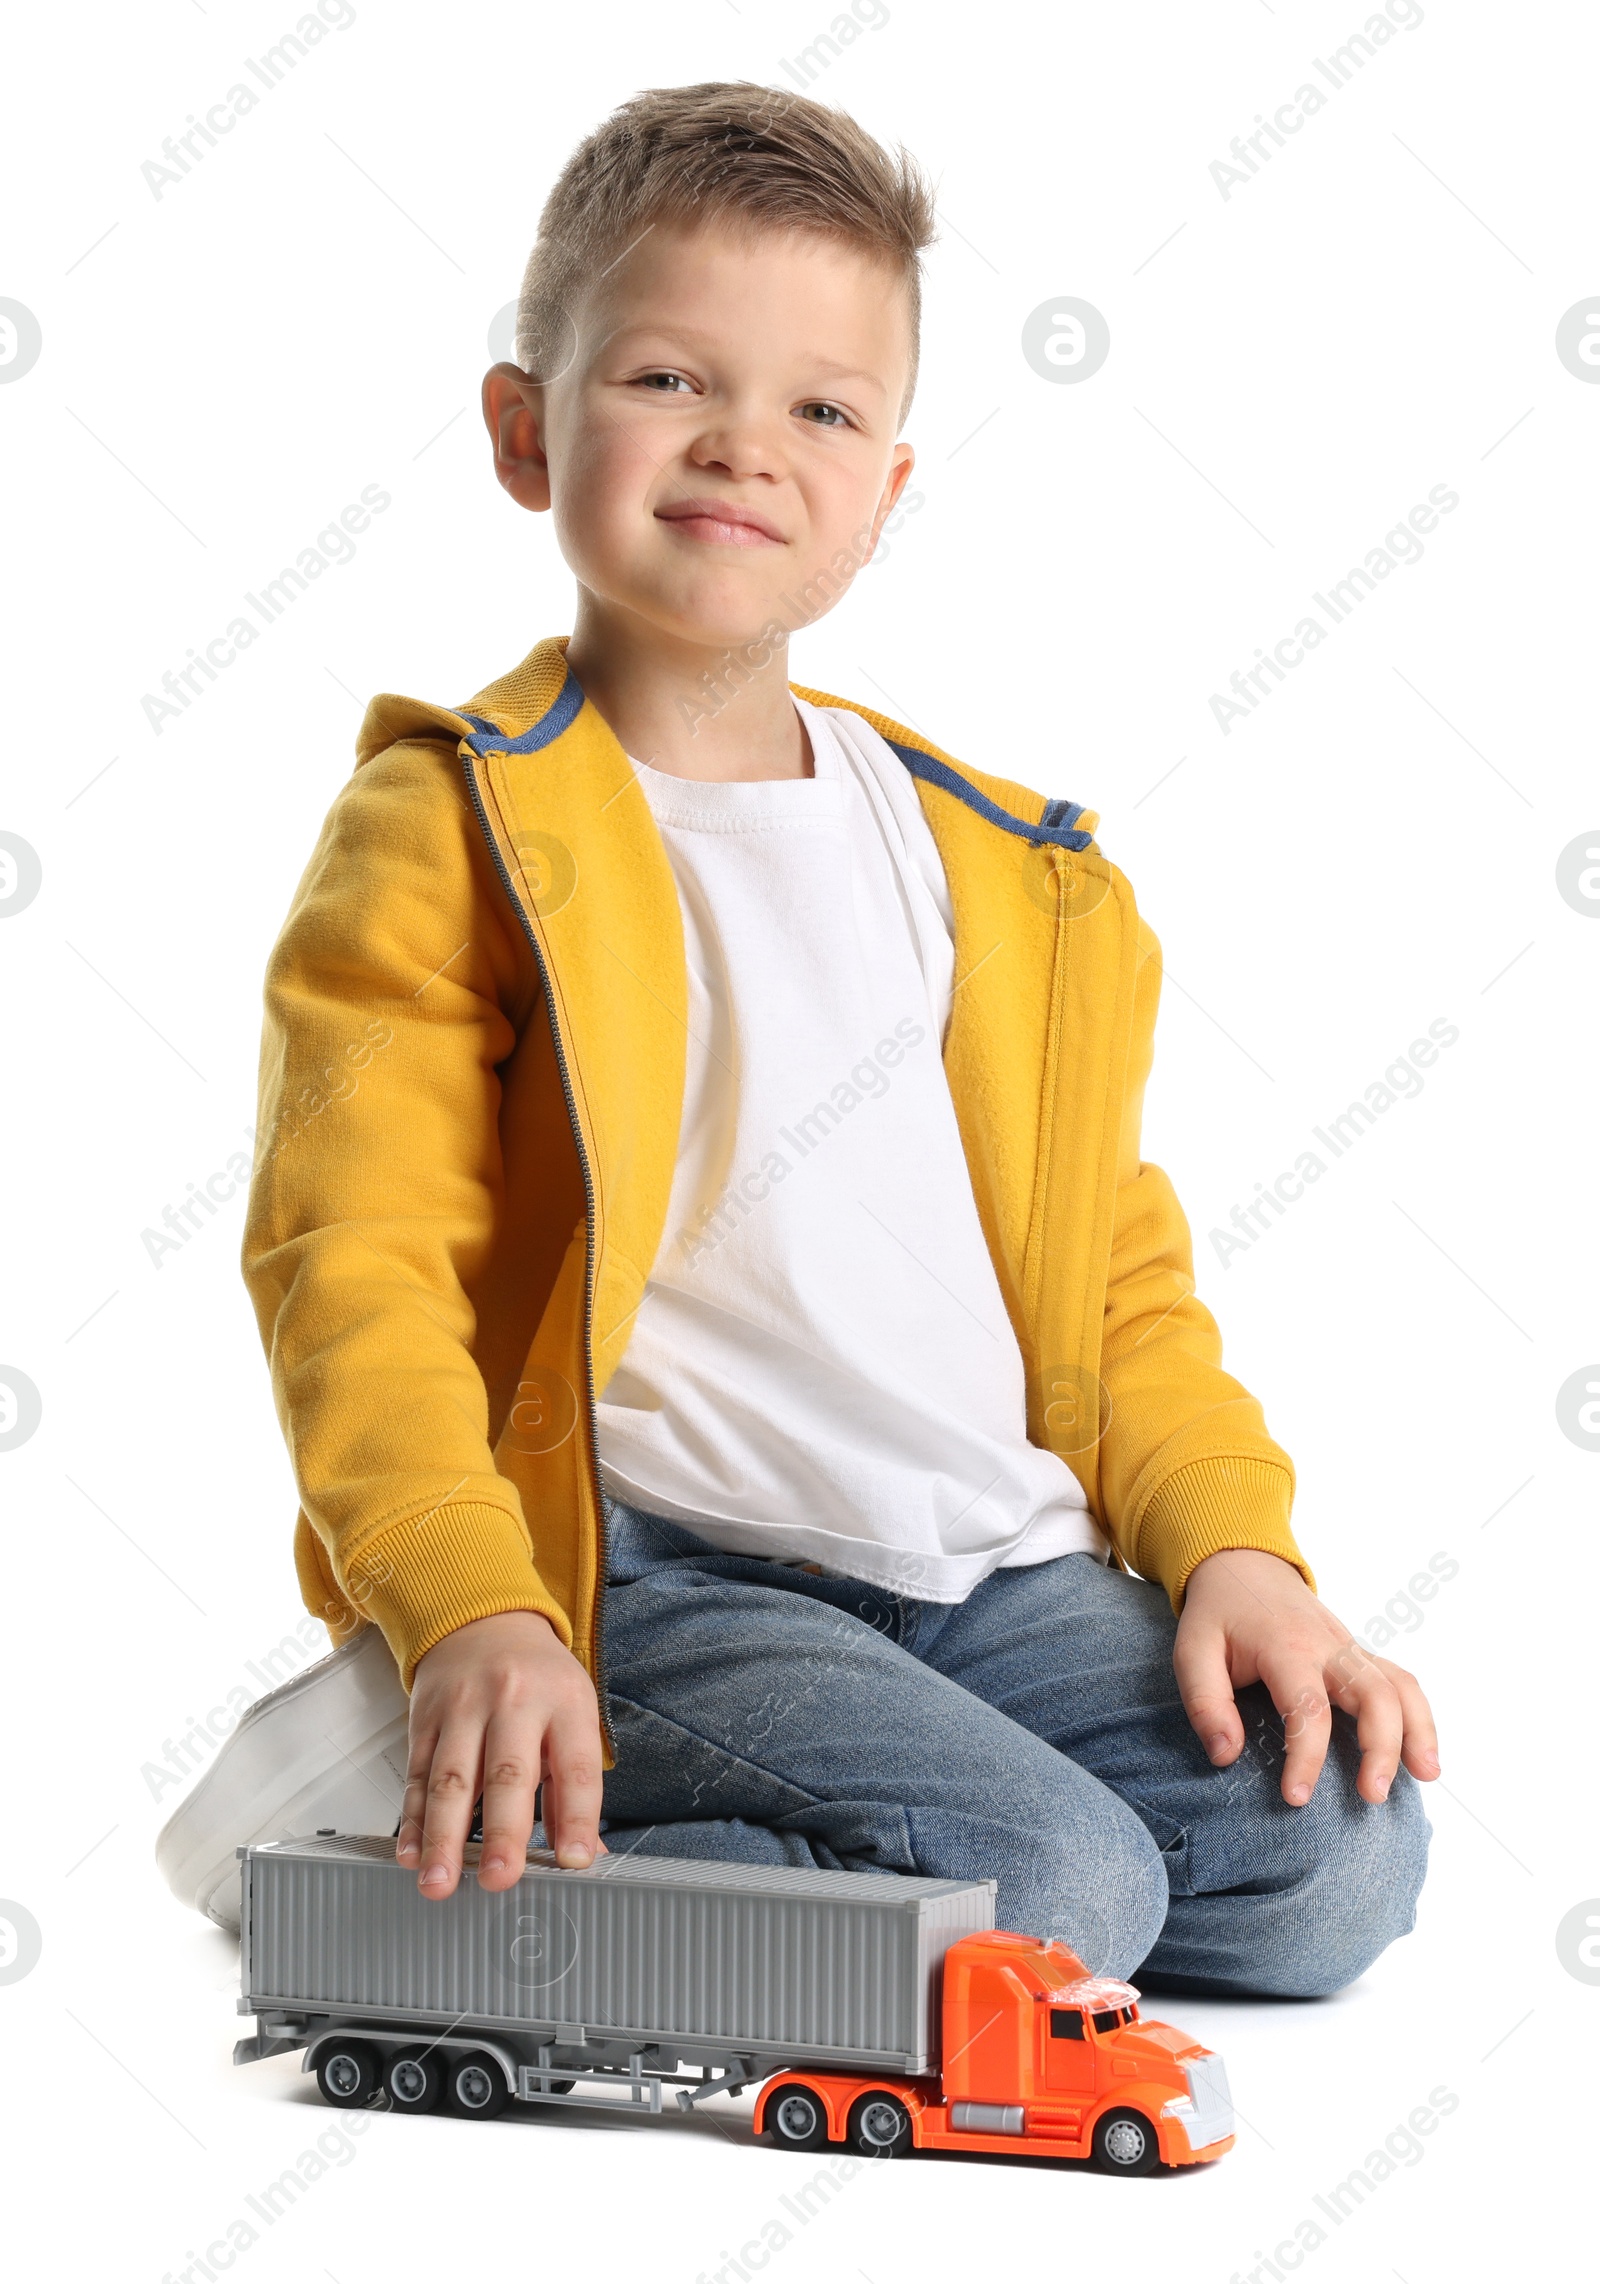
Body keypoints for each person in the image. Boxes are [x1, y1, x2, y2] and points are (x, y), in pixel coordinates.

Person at [158, 81, 1435, 1994]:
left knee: (1331, 1855)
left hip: (992, 1580)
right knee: (1056, 1888)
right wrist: (470, 1602)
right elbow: (357, 1264)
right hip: (658, 1577)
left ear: (886, 493)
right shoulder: (456, 827)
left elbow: (1112, 1284)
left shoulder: (996, 868)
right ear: (528, 429)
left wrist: (1237, 1551)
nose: (745, 446)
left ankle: (632, 1857)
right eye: (671, 379)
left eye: (822, 409)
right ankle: (421, 1831)